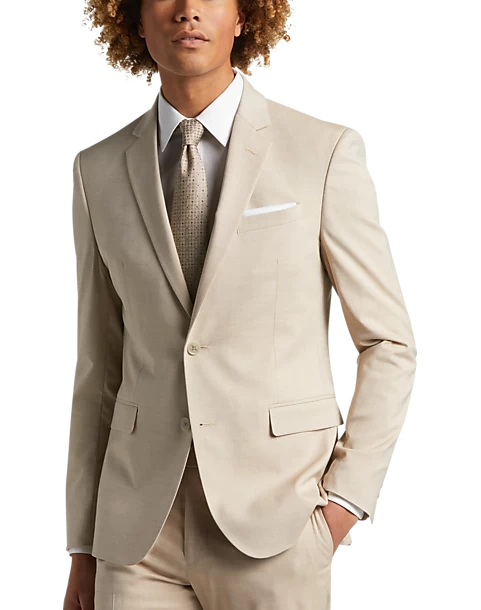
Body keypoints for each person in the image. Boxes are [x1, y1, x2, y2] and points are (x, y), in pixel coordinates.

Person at [63, 1, 417, 609]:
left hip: (277, 523)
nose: (187, 11)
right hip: (135, 536)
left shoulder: (322, 151)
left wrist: (344, 502)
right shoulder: (97, 169)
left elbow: (388, 342)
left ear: (246, 16)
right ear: (134, 18)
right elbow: (99, 366)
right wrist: (82, 546)